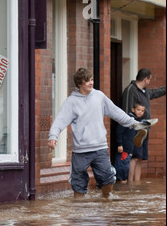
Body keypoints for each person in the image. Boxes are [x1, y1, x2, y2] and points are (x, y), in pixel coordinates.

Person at [48, 68, 152, 199]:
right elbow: (60, 120)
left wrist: (135, 123)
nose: (91, 83)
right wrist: (53, 136)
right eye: (87, 81)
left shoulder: (99, 96)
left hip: (100, 148)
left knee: (108, 180)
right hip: (80, 151)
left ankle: (106, 202)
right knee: (78, 184)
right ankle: (78, 211)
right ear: (79, 84)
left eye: (91, 79)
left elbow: (117, 113)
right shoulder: (71, 102)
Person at [121, 68, 166, 182]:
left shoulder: (145, 92)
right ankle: (130, 183)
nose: (149, 81)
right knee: (134, 157)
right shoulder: (130, 90)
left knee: (140, 157)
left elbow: (156, 92)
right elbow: (126, 112)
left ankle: (137, 183)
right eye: (149, 79)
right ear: (146, 79)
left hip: (145, 129)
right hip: (134, 130)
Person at [114, 101, 146, 183]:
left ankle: (125, 189)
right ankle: (122, 189)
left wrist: (131, 151)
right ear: (133, 109)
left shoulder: (137, 121)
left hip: (128, 150)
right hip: (123, 149)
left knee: (125, 168)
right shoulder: (127, 119)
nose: (140, 112)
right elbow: (119, 131)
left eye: (142, 111)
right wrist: (120, 144)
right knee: (122, 170)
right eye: (138, 110)